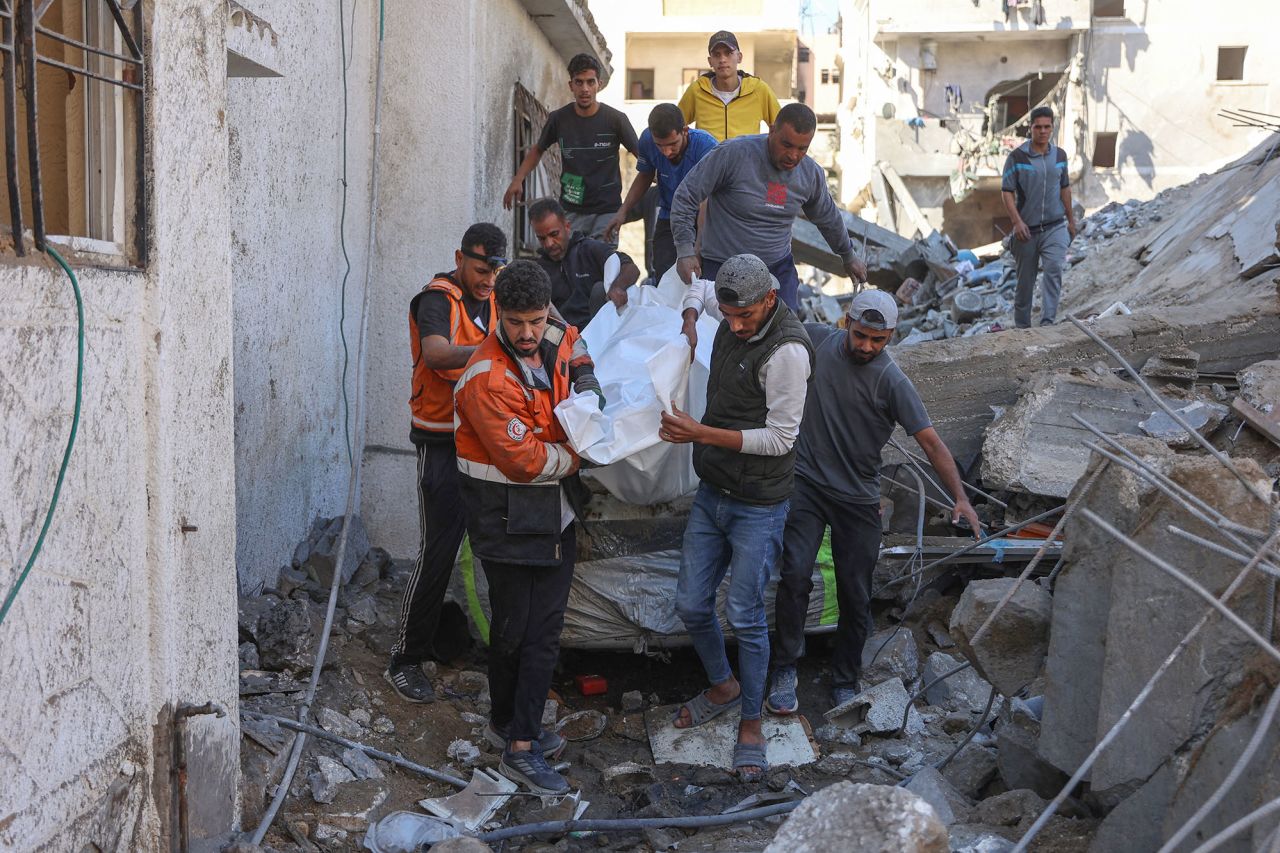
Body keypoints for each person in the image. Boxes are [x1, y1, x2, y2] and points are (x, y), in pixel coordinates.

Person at [766, 289, 983, 715]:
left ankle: (845, 678)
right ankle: (785, 668)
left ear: (891, 337)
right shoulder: (817, 341)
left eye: (877, 340)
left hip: (857, 498)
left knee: (855, 591)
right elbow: (771, 327)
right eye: (861, 335)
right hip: (806, 485)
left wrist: (961, 498)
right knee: (794, 576)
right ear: (847, 321)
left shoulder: (892, 382)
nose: (866, 346)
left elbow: (932, 442)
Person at [658, 254, 814, 783]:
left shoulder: (788, 352)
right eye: (728, 315)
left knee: (745, 614)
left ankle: (751, 720)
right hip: (714, 490)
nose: (735, 325)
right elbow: (695, 289)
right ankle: (723, 685)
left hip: (760, 504)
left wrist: (700, 433)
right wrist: (687, 319)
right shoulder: (725, 307)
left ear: (770, 298)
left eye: (744, 316)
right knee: (690, 603)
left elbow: (781, 439)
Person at [453, 260, 602, 794]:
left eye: (535, 321)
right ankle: (520, 744)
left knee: (540, 630)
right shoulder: (487, 380)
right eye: (516, 323)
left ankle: (514, 726)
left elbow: (577, 349)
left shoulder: (555, 332)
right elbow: (525, 460)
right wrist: (581, 453)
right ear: (499, 314)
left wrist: (587, 389)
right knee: (521, 631)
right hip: (506, 517)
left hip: (552, 513)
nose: (527, 334)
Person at [386, 223, 507, 704]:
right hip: (441, 442)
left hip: (486, 440)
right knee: (438, 549)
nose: (488, 280)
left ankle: (500, 651)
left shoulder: (495, 297)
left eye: (496, 271)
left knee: (498, 548)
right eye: (480, 269)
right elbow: (436, 354)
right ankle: (405, 658)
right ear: (461, 258)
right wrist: (497, 349)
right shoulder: (436, 300)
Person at [670, 103, 867, 311]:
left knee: (785, 336)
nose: (793, 155)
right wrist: (685, 250)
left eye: (802, 149)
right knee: (719, 336)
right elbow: (686, 196)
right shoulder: (732, 155)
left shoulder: (810, 174)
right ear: (772, 131)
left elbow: (828, 218)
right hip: (722, 267)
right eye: (787, 144)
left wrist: (848, 255)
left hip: (776, 269)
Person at [504, 53, 639, 241]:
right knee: (571, 263)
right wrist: (518, 179)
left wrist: (660, 175)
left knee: (603, 264)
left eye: (590, 82)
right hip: (571, 210)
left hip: (607, 212)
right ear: (571, 85)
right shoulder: (558, 119)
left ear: (599, 84)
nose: (585, 89)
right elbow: (538, 149)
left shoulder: (616, 120)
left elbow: (642, 156)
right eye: (579, 82)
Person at [604, 103, 718, 281]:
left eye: (673, 144)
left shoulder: (706, 147)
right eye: (660, 146)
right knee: (664, 273)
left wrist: (697, 247)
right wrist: (622, 212)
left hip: (704, 216)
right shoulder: (647, 140)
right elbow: (645, 175)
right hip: (669, 216)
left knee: (701, 277)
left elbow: (708, 200)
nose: (666, 152)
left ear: (685, 131)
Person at [1000, 106, 1077, 328]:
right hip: (1027, 232)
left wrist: (1071, 221)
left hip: (1055, 227)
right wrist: (1017, 222)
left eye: (1047, 127)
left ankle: (1047, 323)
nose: (1043, 131)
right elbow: (1006, 191)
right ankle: (1023, 329)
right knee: (1025, 283)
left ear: (1052, 128)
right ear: (1031, 128)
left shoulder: (1060, 156)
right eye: (1038, 127)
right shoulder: (1017, 157)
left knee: (1054, 270)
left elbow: (1065, 188)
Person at [529, 197, 640, 329]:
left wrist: (617, 287)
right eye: (542, 238)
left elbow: (631, 268)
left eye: (554, 234)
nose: (549, 243)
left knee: (599, 289)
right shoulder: (539, 271)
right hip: (565, 338)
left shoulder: (589, 249)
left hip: (601, 331)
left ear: (567, 227)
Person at [678, 30, 781, 142]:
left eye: (728, 53)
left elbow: (781, 128)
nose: (722, 59)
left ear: (739, 57)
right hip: (709, 159)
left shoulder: (758, 89)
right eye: (717, 55)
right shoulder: (697, 90)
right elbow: (675, 128)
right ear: (710, 61)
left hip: (746, 159)